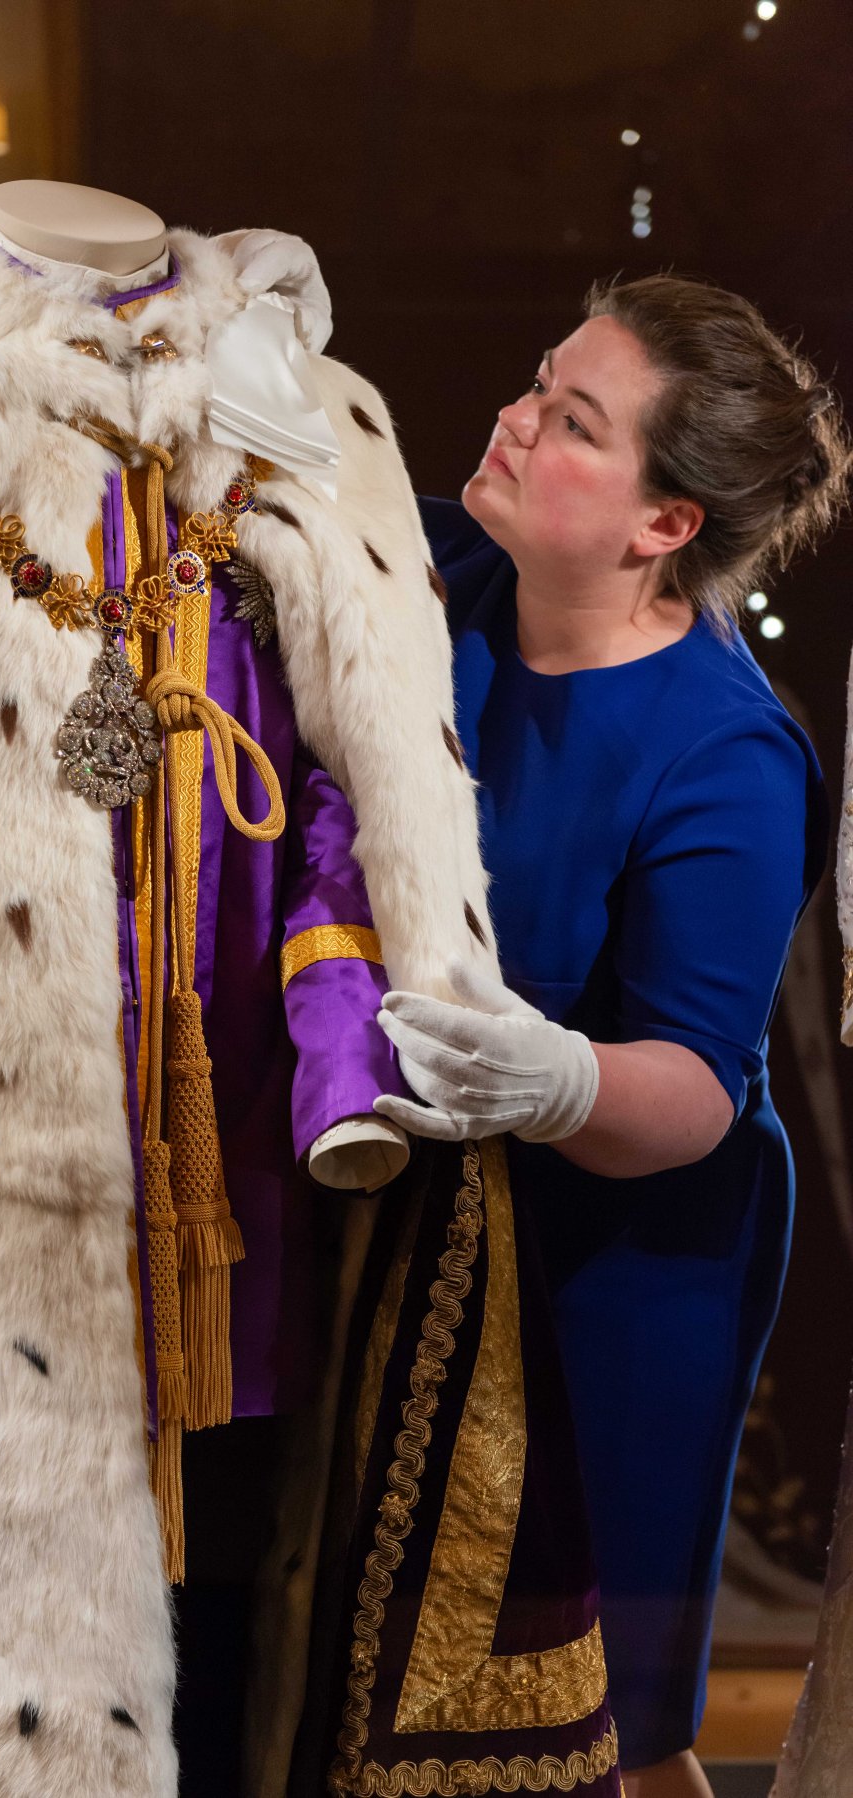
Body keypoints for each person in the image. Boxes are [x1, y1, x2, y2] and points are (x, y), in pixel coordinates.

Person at [373, 274, 847, 1798]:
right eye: (537, 379)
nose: (515, 420)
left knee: (606, 1714)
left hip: (631, 1247)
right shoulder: (439, 569)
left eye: (575, 422)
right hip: (429, 1203)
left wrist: (555, 1072)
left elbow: (697, 1085)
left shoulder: (729, 751)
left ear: (663, 526)